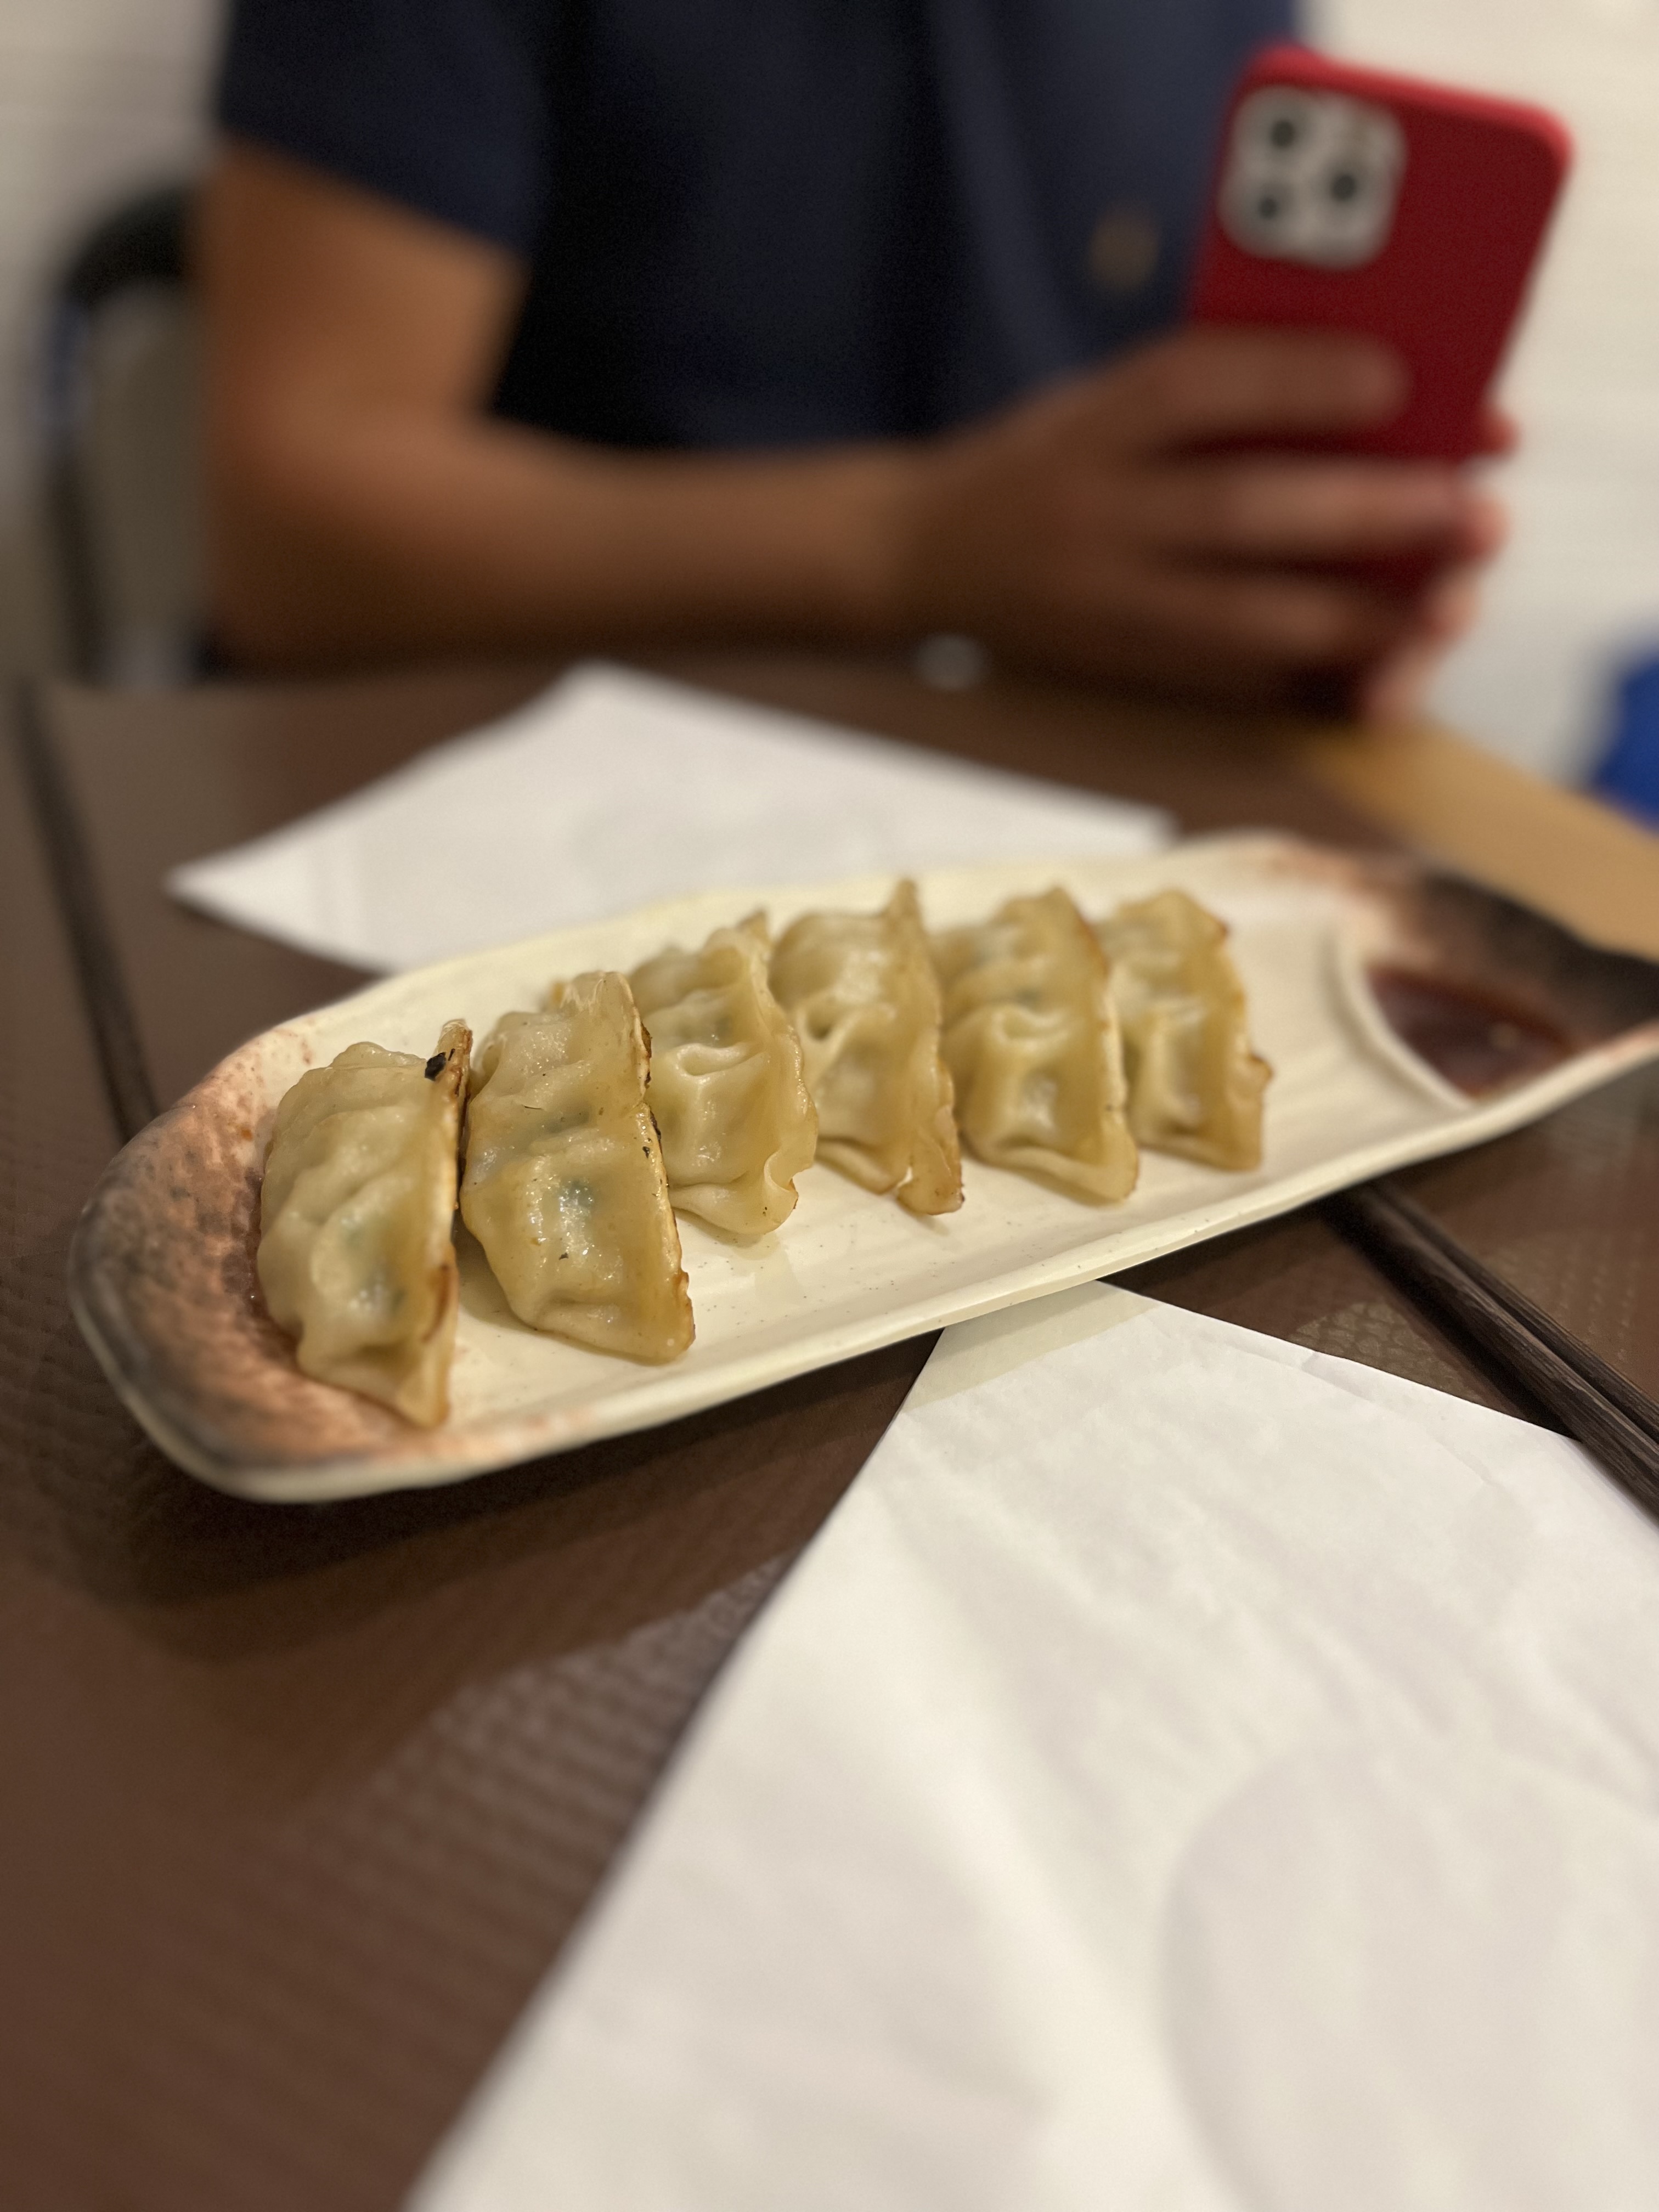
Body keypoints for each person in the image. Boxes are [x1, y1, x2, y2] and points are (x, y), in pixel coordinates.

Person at [200, 1, 1504, 713]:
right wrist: (916, 547)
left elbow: (1171, 459)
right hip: (504, 787)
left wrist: (1281, 586)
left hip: (1036, 812)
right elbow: (291, 537)